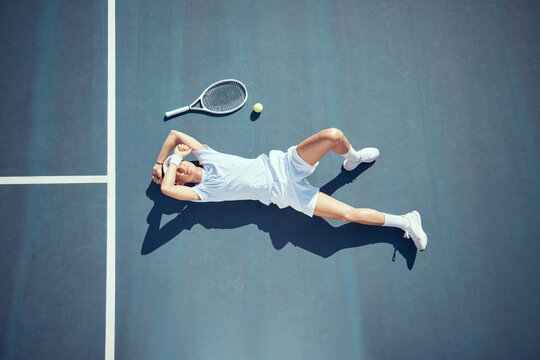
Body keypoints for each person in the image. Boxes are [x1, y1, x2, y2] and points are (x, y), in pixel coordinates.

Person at [151, 128, 427, 251]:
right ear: (184, 184)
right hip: (285, 195)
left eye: (183, 165)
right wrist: (173, 162)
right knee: (346, 215)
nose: (182, 170)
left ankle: (353, 158)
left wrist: (161, 162)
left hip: (285, 163)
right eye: (178, 176)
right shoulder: (203, 193)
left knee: (333, 135)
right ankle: (406, 221)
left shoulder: (206, 156)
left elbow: (174, 134)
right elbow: (166, 191)